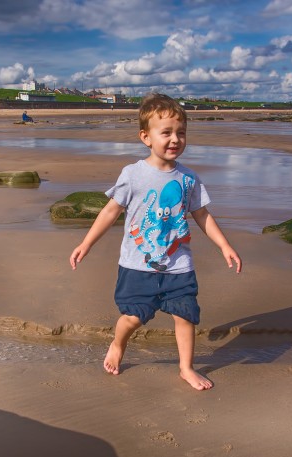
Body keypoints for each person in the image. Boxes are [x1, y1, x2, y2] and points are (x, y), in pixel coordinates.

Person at [69, 93, 242, 391]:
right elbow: (111, 211)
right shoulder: (133, 175)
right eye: (166, 133)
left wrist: (224, 245)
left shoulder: (189, 179)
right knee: (133, 317)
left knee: (185, 315)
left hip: (179, 266)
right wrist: (87, 243)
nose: (175, 139)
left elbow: (202, 215)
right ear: (145, 137)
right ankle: (118, 343)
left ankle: (186, 368)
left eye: (181, 132)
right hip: (138, 265)